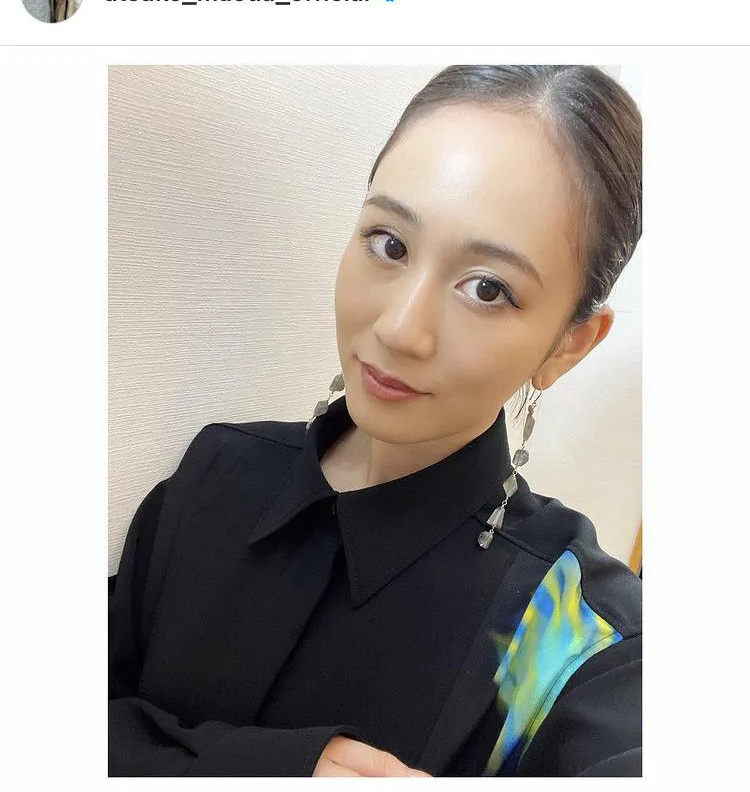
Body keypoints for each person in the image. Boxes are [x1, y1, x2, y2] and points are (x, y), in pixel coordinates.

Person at [109, 65, 642, 777]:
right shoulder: (216, 473)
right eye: (389, 243)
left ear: (568, 344)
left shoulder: (576, 634)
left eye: (488, 288)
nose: (399, 328)